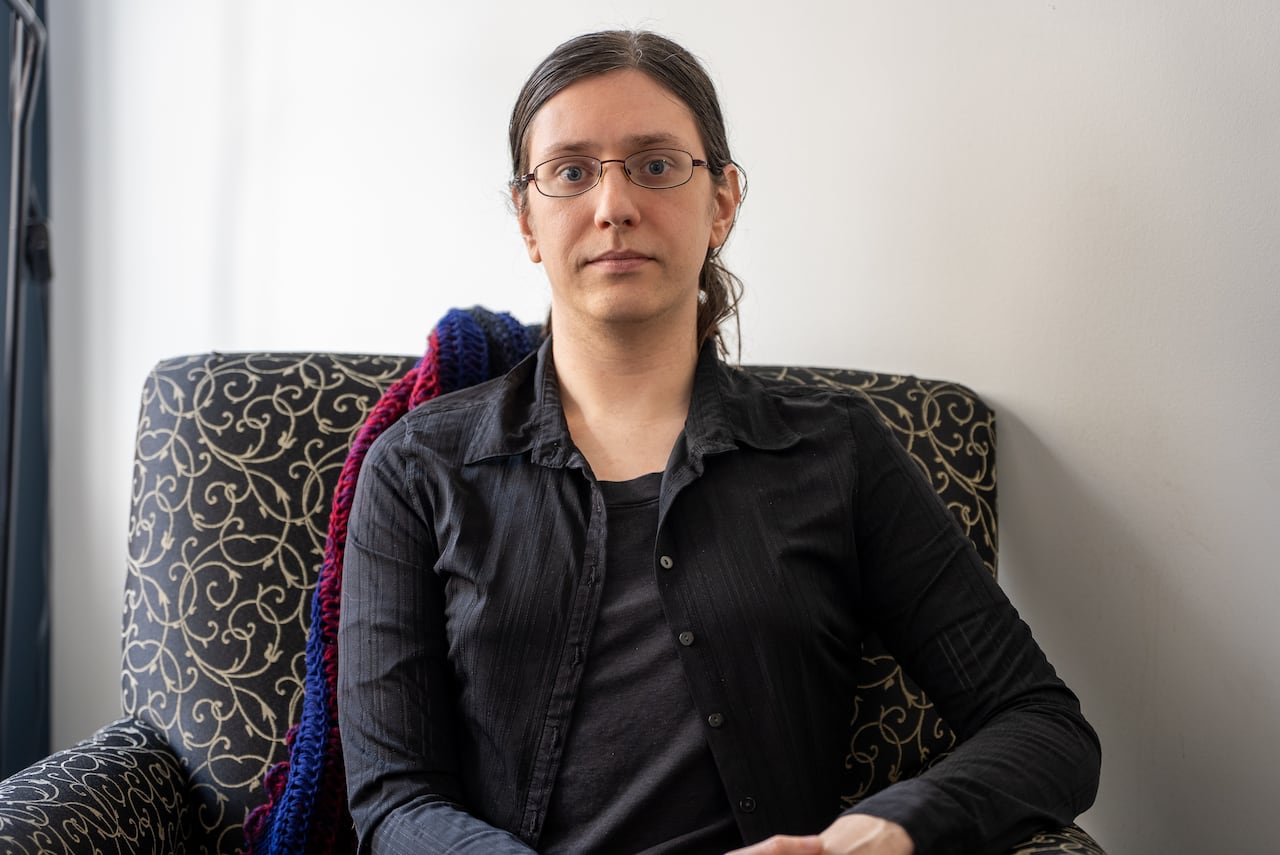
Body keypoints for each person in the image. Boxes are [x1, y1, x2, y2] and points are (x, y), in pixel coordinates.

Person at [337, 29, 1100, 855]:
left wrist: (879, 835)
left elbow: (1043, 724)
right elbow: (394, 799)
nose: (613, 204)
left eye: (657, 164)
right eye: (570, 171)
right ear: (527, 219)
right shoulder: (418, 468)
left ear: (723, 203)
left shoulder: (837, 450)